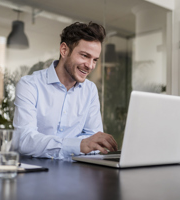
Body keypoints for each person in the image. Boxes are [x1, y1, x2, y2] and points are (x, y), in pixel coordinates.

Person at [11, 22, 118, 159]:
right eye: (85, 56)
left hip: (75, 173)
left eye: (95, 60)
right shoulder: (30, 85)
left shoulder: (90, 90)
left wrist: (86, 144)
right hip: (34, 172)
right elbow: (25, 140)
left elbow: (94, 142)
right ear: (64, 50)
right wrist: (78, 145)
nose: (90, 66)